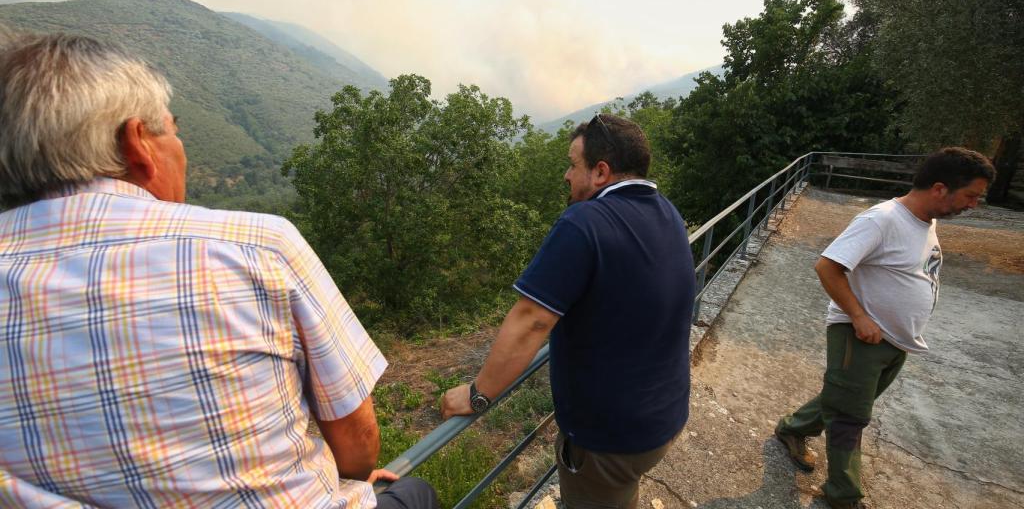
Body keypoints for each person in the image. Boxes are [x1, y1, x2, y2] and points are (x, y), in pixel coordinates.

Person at [0, 33, 438, 509]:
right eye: (173, 128)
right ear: (137, 144)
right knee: (415, 492)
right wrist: (352, 478)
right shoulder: (256, 246)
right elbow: (357, 443)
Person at [441, 114, 696, 509]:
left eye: (572, 165)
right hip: (664, 418)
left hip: (610, 440)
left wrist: (478, 396)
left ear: (600, 172)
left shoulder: (585, 221)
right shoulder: (667, 213)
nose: (565, 175)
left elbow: (532, 320)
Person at [774, 148, 996, 509]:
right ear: (940, 188)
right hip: (860, 335)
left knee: (847, 398)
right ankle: (843, 495)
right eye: (971, 195)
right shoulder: (882, 220)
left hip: (895, 339)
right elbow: (827, 267)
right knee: (850, 417)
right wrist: (860, 317)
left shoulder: (925, 222)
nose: (973, 205)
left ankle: (793, 428)